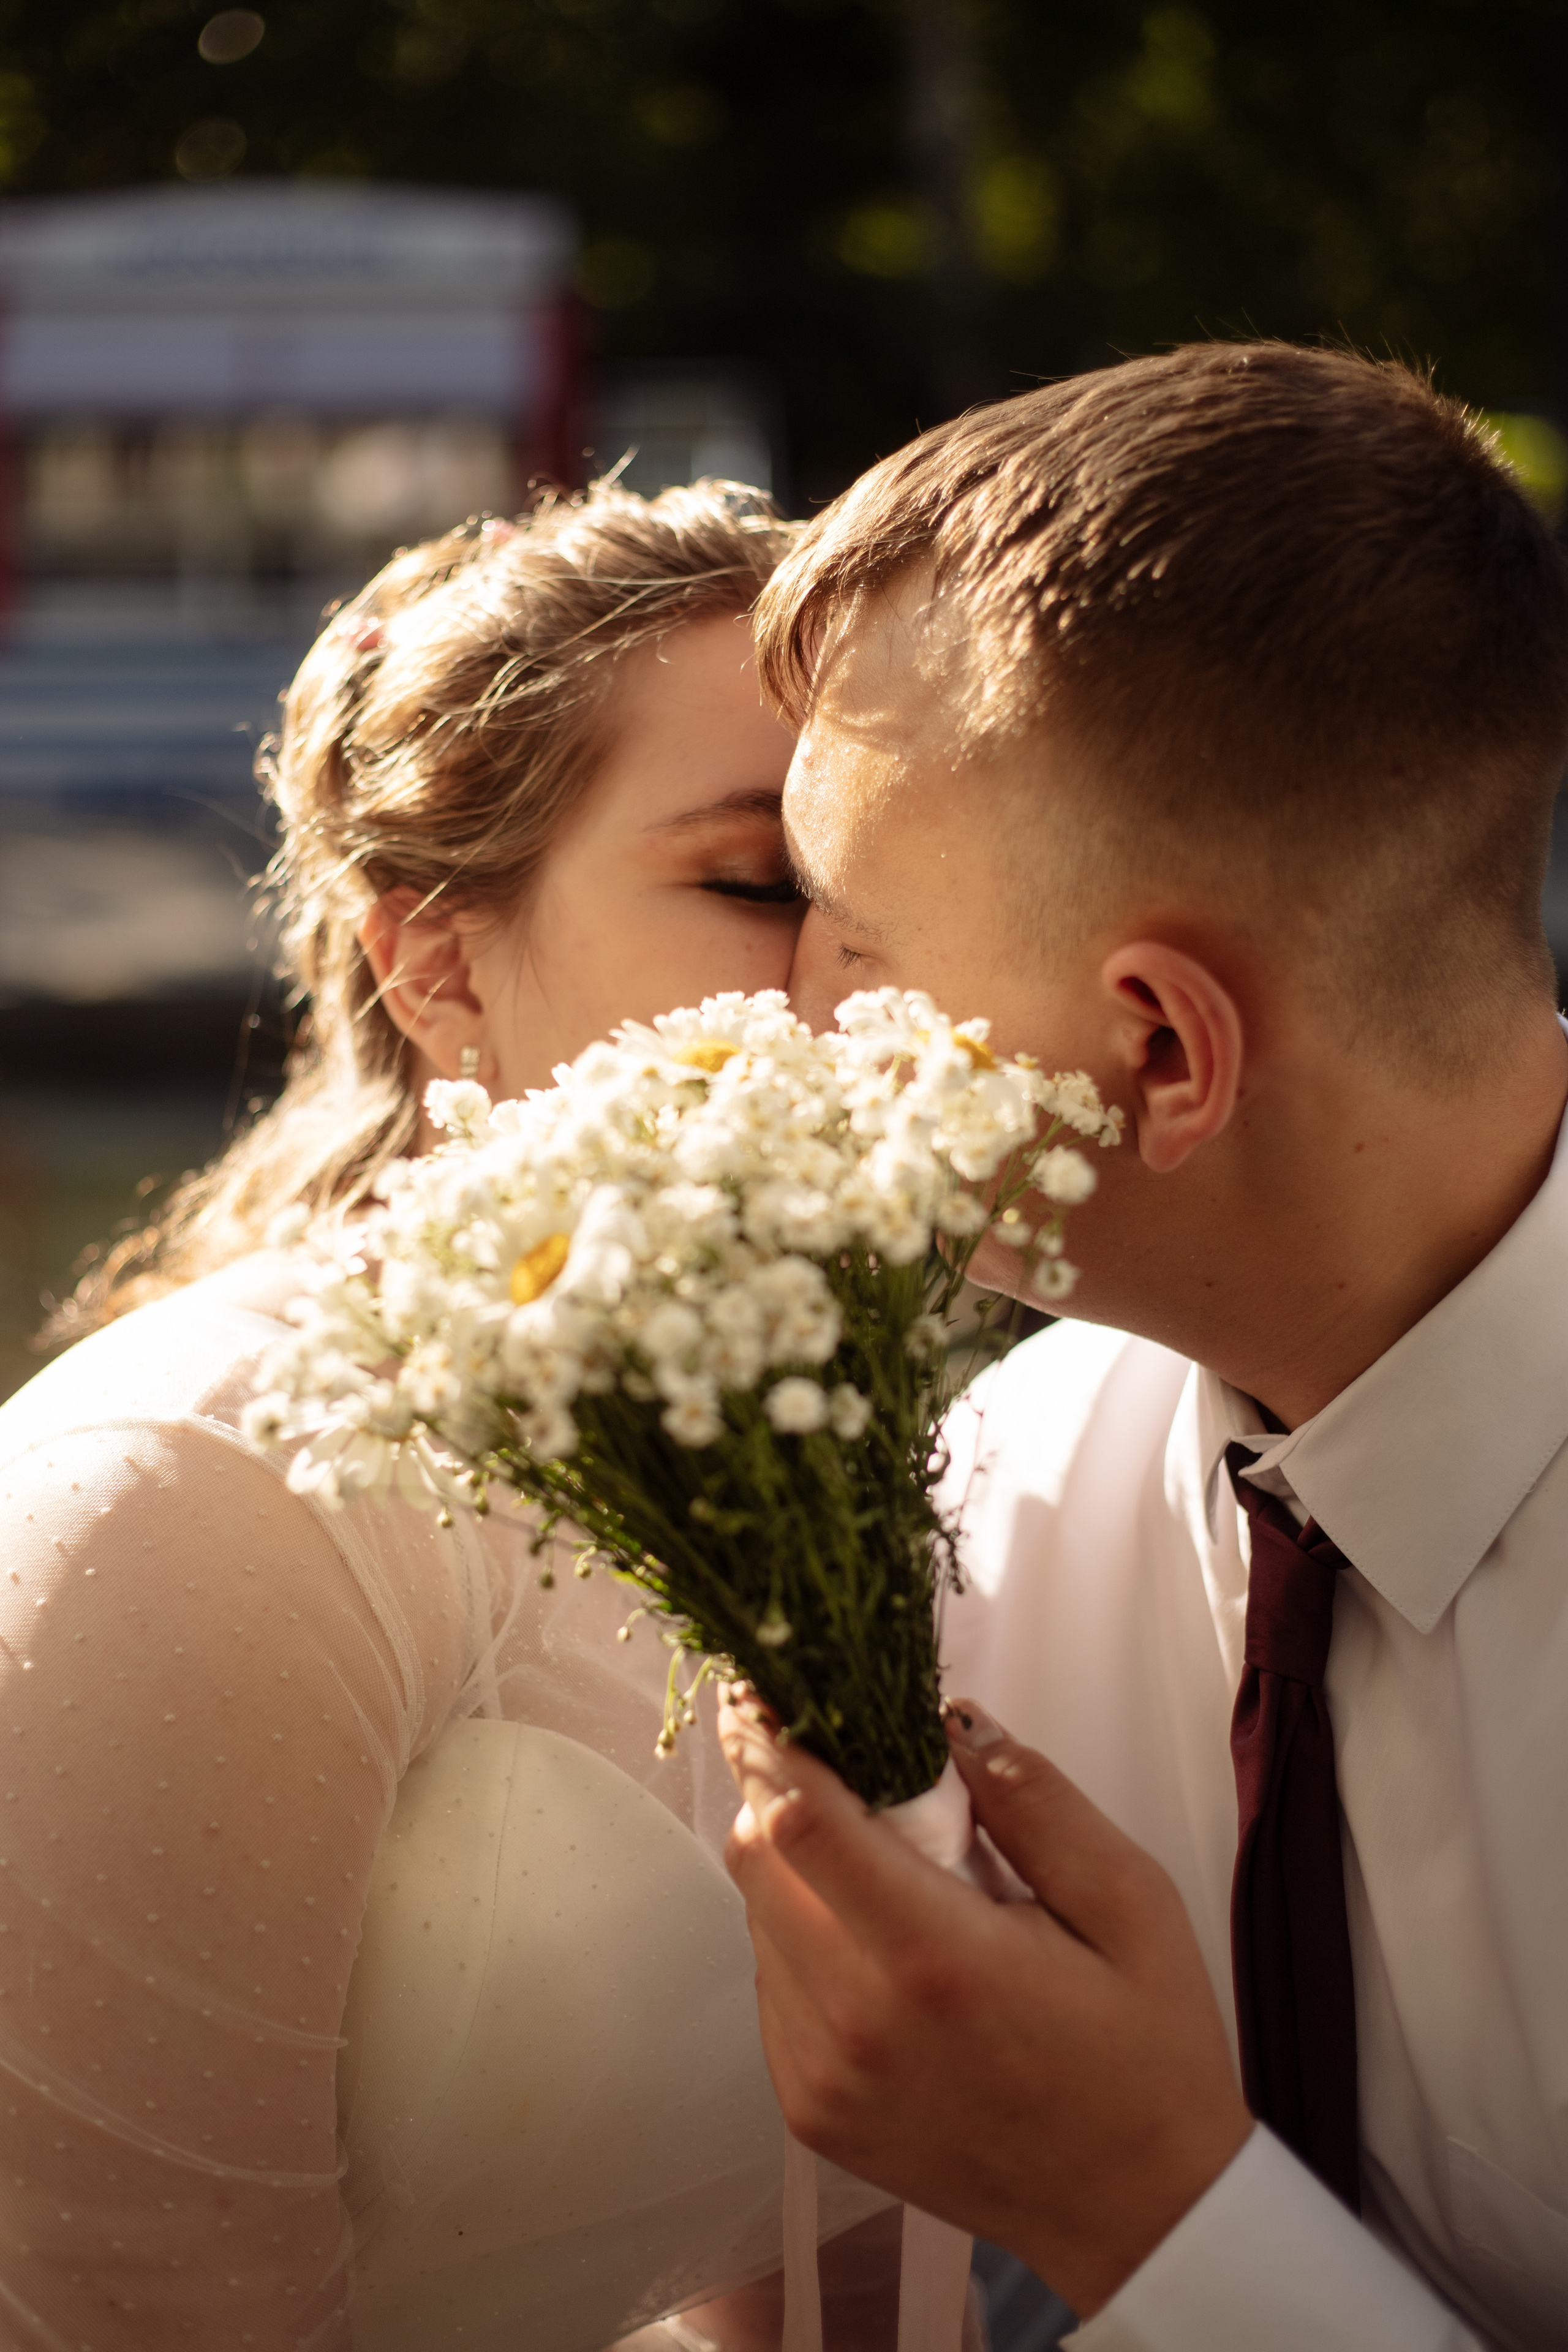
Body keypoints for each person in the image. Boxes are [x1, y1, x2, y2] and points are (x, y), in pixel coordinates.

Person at [718, 343, 1568, 2350]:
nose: (784, 1012)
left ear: (1162, 1050)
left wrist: (1161, 2224)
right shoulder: (991, 1505)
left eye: (852, 931)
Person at [0, 480, 903, 2351]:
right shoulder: (201, 1495)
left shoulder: (846, 1438)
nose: (861, 981)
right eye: (756, 881)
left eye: (902, 891)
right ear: (439, 964)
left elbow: (833, 2262)